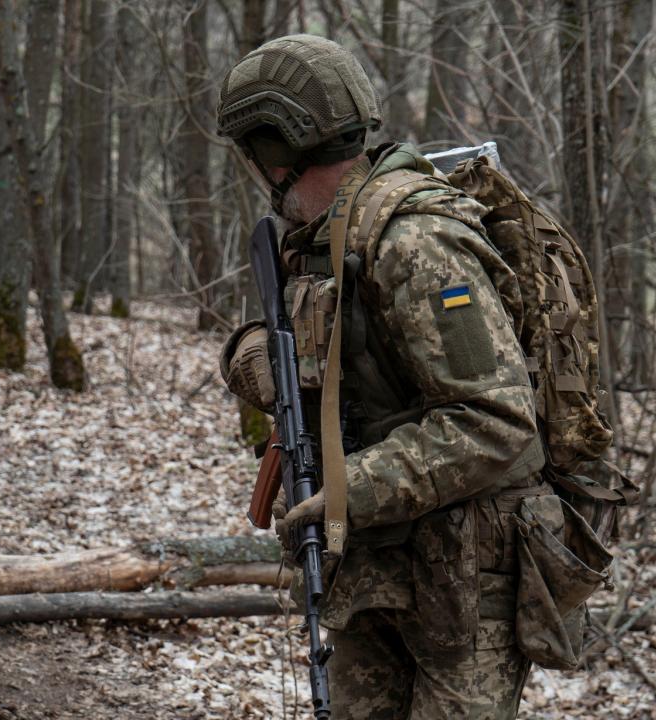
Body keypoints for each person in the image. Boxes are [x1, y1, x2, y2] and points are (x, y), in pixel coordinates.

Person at [217, 35, 550, 719]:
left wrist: (348, 490)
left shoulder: (415, 243)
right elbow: (300, 346)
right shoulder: (317, 238)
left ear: (275, 150)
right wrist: (249, 357)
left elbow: (495, 421)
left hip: (462, 581)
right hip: (370, 568)